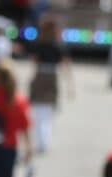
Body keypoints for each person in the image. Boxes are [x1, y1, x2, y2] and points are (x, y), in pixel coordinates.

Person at [26, 15, 73, 155]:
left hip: (42, 76)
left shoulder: (40, 44)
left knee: (39, 110)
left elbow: (34, 62)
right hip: (51, 77)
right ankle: (44, 140)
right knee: (47, 110)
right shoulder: (57, 45)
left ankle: (42, 140)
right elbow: (66, 65)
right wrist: (70, 86)